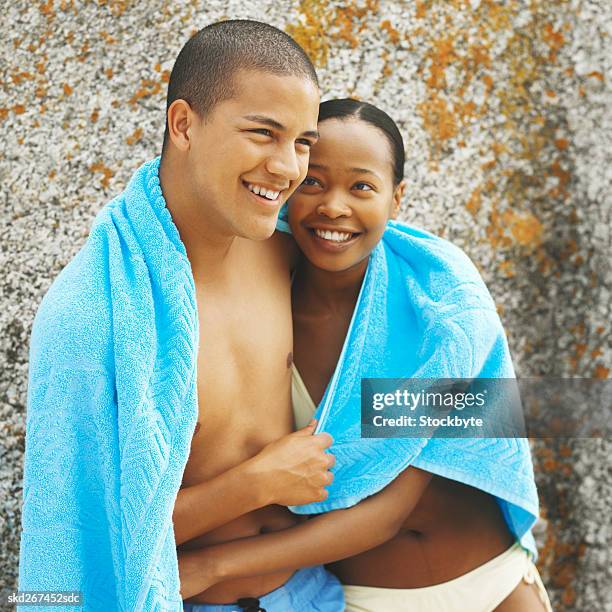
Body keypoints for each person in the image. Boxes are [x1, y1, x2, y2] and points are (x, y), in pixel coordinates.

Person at [176, 99, 554, 612]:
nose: (334, 206)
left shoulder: (440, 309)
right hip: (363, 599)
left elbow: (389, 513)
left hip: (497, 582)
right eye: (313, 182)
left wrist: (212, 566)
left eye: (361, 186)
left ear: (396, 199)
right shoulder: (263, 306)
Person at [18, 21, 344, 611]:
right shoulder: (94, 314)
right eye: (262, 133)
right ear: (184, 124)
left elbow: (433, 376)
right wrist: (255, 485)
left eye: (301, 142)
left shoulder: (293, 249)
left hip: (317, 591)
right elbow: (85, 546)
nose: (286, 167)